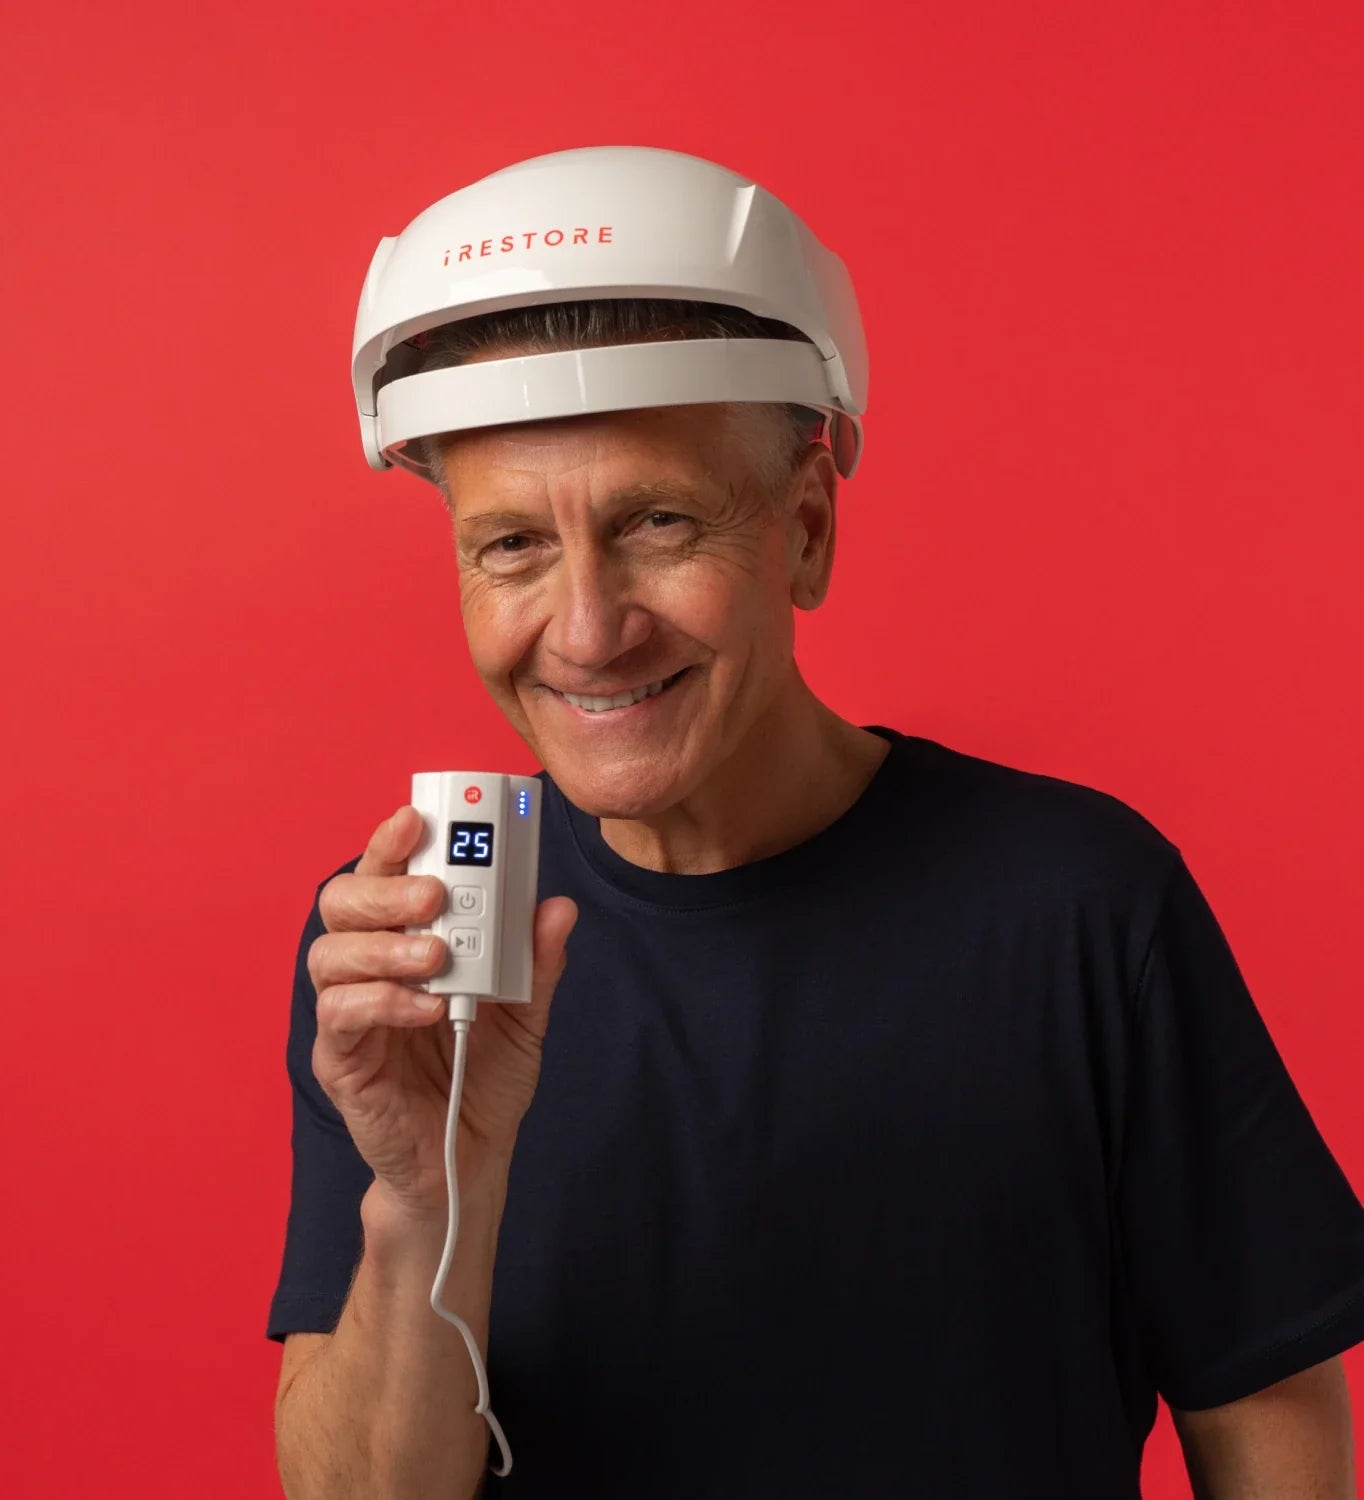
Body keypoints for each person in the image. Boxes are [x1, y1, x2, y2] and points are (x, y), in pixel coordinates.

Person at [266, 147, 1364, 1499]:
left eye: (657, 522)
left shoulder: (1080, 904)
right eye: (511, 548)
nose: (589, 630)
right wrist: (430, 1195)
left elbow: (1270, 1409)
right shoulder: (414, 947)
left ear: (805, 528)